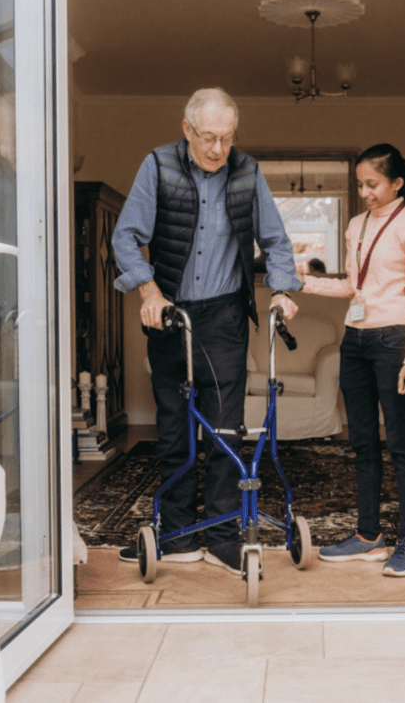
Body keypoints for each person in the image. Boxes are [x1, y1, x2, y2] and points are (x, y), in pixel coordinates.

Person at [111, 87, 302, 574]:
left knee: (223, 425)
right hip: (170, 311)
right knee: (174, 423)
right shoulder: (157, 166)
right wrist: (149, 293)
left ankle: (220, 534)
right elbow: (126, 237)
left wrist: (281, 289)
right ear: (187, 129)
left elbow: (276, 240)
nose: (219, 149)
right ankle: (176, 534)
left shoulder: (248, 172)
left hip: (223, 315)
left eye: (227, 137)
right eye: (209, 138)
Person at [299, 143, 405, 577]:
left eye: (372, 184)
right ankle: (370, 536)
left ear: (397, 183)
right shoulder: (355, 225)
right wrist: (305, 283)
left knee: (400, 441)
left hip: (394, 341)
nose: (365, 192)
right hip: (355, 341)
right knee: (361, 441)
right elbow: (354, 288)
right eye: (360, 184)